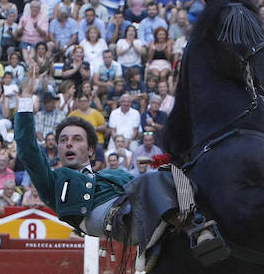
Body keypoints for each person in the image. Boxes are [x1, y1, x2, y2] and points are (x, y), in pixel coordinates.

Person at [15, 63, 214, 257]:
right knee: (151, 181)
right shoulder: (54, 181)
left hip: (137, 209)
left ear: (91, 149)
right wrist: (25, 98)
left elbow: (144, 186)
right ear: (57, 148)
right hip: (117, 220)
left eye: (77, 139)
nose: (68, 144)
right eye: (63, 140)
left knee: (175, 174)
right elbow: (28, 149)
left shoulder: (115, 174)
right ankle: (195, 230)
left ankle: (165, 242)